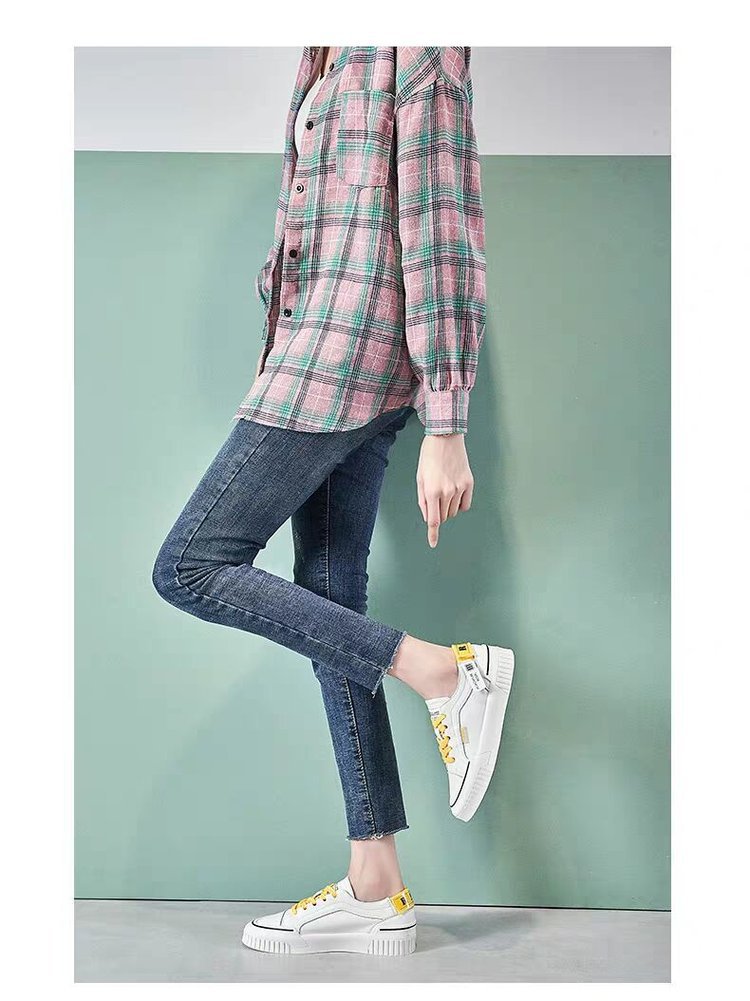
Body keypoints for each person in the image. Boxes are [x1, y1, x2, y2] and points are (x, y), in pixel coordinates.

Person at [152, 45, 515, 958]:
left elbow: (442, 231)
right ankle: (375, 885)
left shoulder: (417, 47)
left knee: (191, 564)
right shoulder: (324, 50)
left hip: (345, 356)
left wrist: (447, 423)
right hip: (315, 350)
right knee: (327, 597)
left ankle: (443, 672)